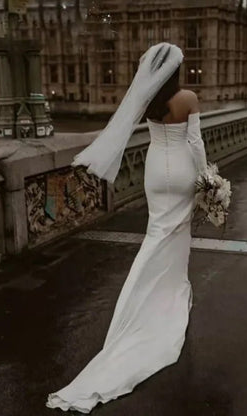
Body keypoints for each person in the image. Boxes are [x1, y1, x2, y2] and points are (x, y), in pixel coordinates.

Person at [46, 42, 208, 414]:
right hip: (182, 171)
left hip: (154, 172)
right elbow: (196, 144)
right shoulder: (189, 98)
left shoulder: (150, 100)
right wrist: (207, 178)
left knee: (155, 236)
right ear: (178, 71)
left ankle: (138, 301)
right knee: (177, 238)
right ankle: (170, 295)